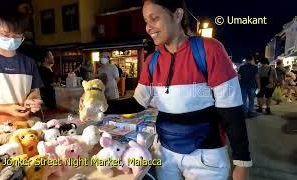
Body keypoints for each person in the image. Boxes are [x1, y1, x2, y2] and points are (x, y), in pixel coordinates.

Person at [81, 0, 251, 179]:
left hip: (206, 156)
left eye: (154, 18)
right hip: (165, 153)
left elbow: (232, 112)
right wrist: (103, 105)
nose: (148, 27)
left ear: (177, 15)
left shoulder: (209, 50)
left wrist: (242, 163)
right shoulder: (152, 61)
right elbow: (138, 102)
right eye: (146, 21)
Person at [0, 4, 43, 128]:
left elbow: (35, 91)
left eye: (17, 35)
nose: (12, 39)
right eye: (6, 35)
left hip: (22, 131)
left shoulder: (28, 62)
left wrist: (33, 100)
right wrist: (5, 109)